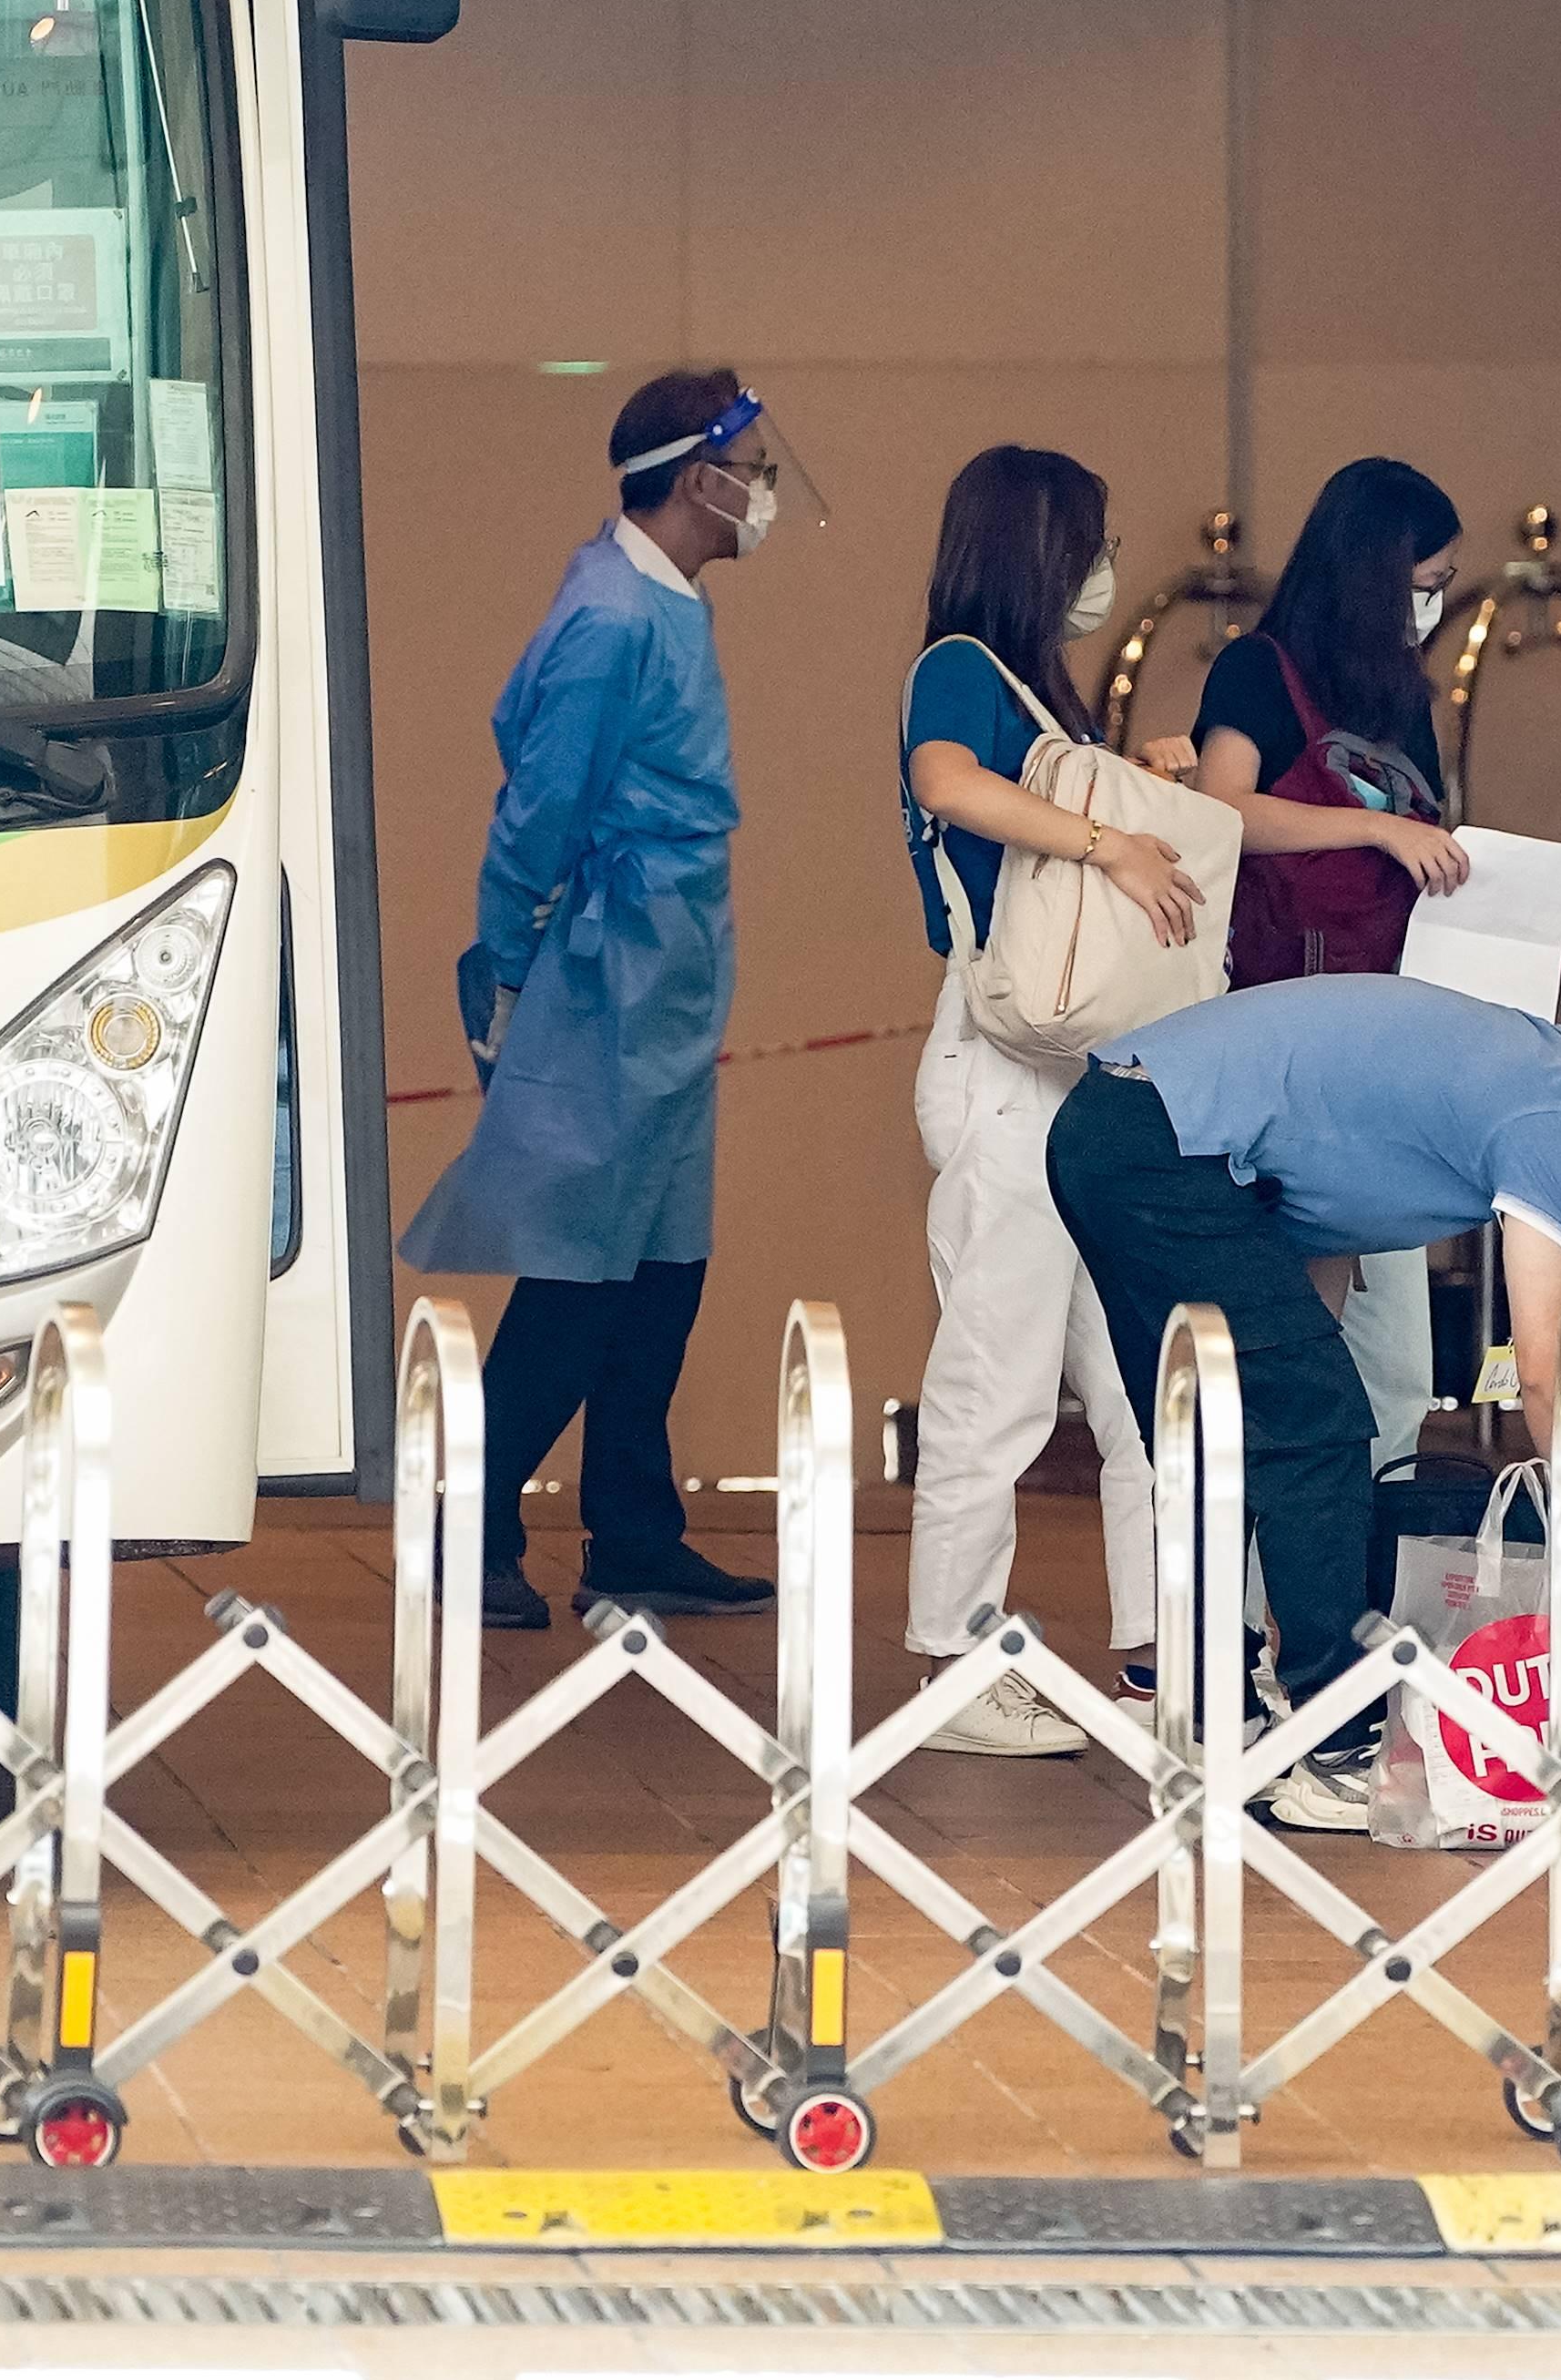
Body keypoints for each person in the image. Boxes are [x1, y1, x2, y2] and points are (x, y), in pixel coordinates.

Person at [1046, 976, 1561, 1833]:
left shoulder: (1505, 1063)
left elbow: (1314, 1238)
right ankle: (1335, 1743)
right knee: (1318, 1430)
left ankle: (1211, 1716)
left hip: (1110, 1129)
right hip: (1165, 1146)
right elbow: (1543, 1366)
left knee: (1217, 1436)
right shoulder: (1548, 1111)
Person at [403, 369, 808, 1630]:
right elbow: (535, 812)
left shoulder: (661, 599)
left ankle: (634, 1528)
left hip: (668, 973)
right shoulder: (612, 616)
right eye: (750, 465)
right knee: (582, 1267)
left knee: (663, 1266)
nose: (763, 488)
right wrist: (506, 971)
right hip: (612, 978)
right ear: (697, 478)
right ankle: (467, 1526)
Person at [894, 445, 1204, 1753]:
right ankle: (952, 1662)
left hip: (1075, 1074)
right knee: (998, 1375)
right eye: (1093, 540)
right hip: (1004, 1068)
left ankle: (1162, 1655)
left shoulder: (1034, 692)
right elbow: (944, 780)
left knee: (1134, 1386)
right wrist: (1108, 833)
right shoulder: (958, 665)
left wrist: (1134, 789)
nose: (1105, 566)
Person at [1194, 458, 1476, 1462]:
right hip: (1285, 1031)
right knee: (1298, 1321)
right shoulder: (1258, 670)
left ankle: (1365, 1538)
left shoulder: (1402, 697)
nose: (1433, 603)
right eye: (1426, 581)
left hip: (1383, 1034)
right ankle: (1279, 1552)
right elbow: (1220, 811)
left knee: (1393, 1356)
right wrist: (1374, 829)